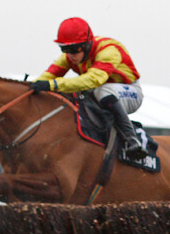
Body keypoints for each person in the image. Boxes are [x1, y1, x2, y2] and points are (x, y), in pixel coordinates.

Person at [30, 17, 147, 160]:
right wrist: (29, 88)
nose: (69, 55)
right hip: (100, 91)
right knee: (74, 95)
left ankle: (131, 139)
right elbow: (47, 77)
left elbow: (93, 79)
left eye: (73, 49)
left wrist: (53, 85)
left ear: (86, 45)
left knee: (101, 91)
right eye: (64, 49)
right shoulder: (69, 57)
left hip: (130, 91)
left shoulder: (108, 50)